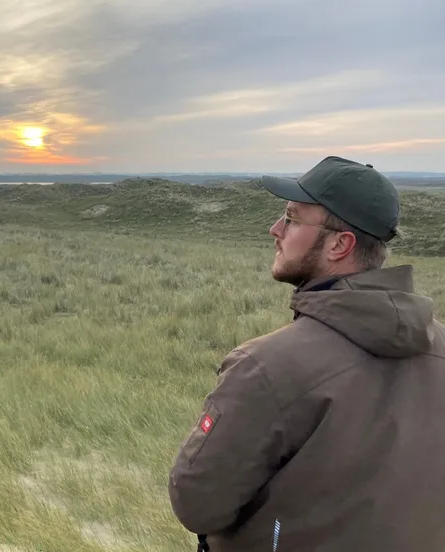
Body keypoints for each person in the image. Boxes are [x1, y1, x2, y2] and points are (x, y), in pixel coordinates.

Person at [168, 156, 445, 551]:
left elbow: (196, 505)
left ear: (339, 244)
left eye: (292, 217)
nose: (275, 229)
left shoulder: (264, 367)